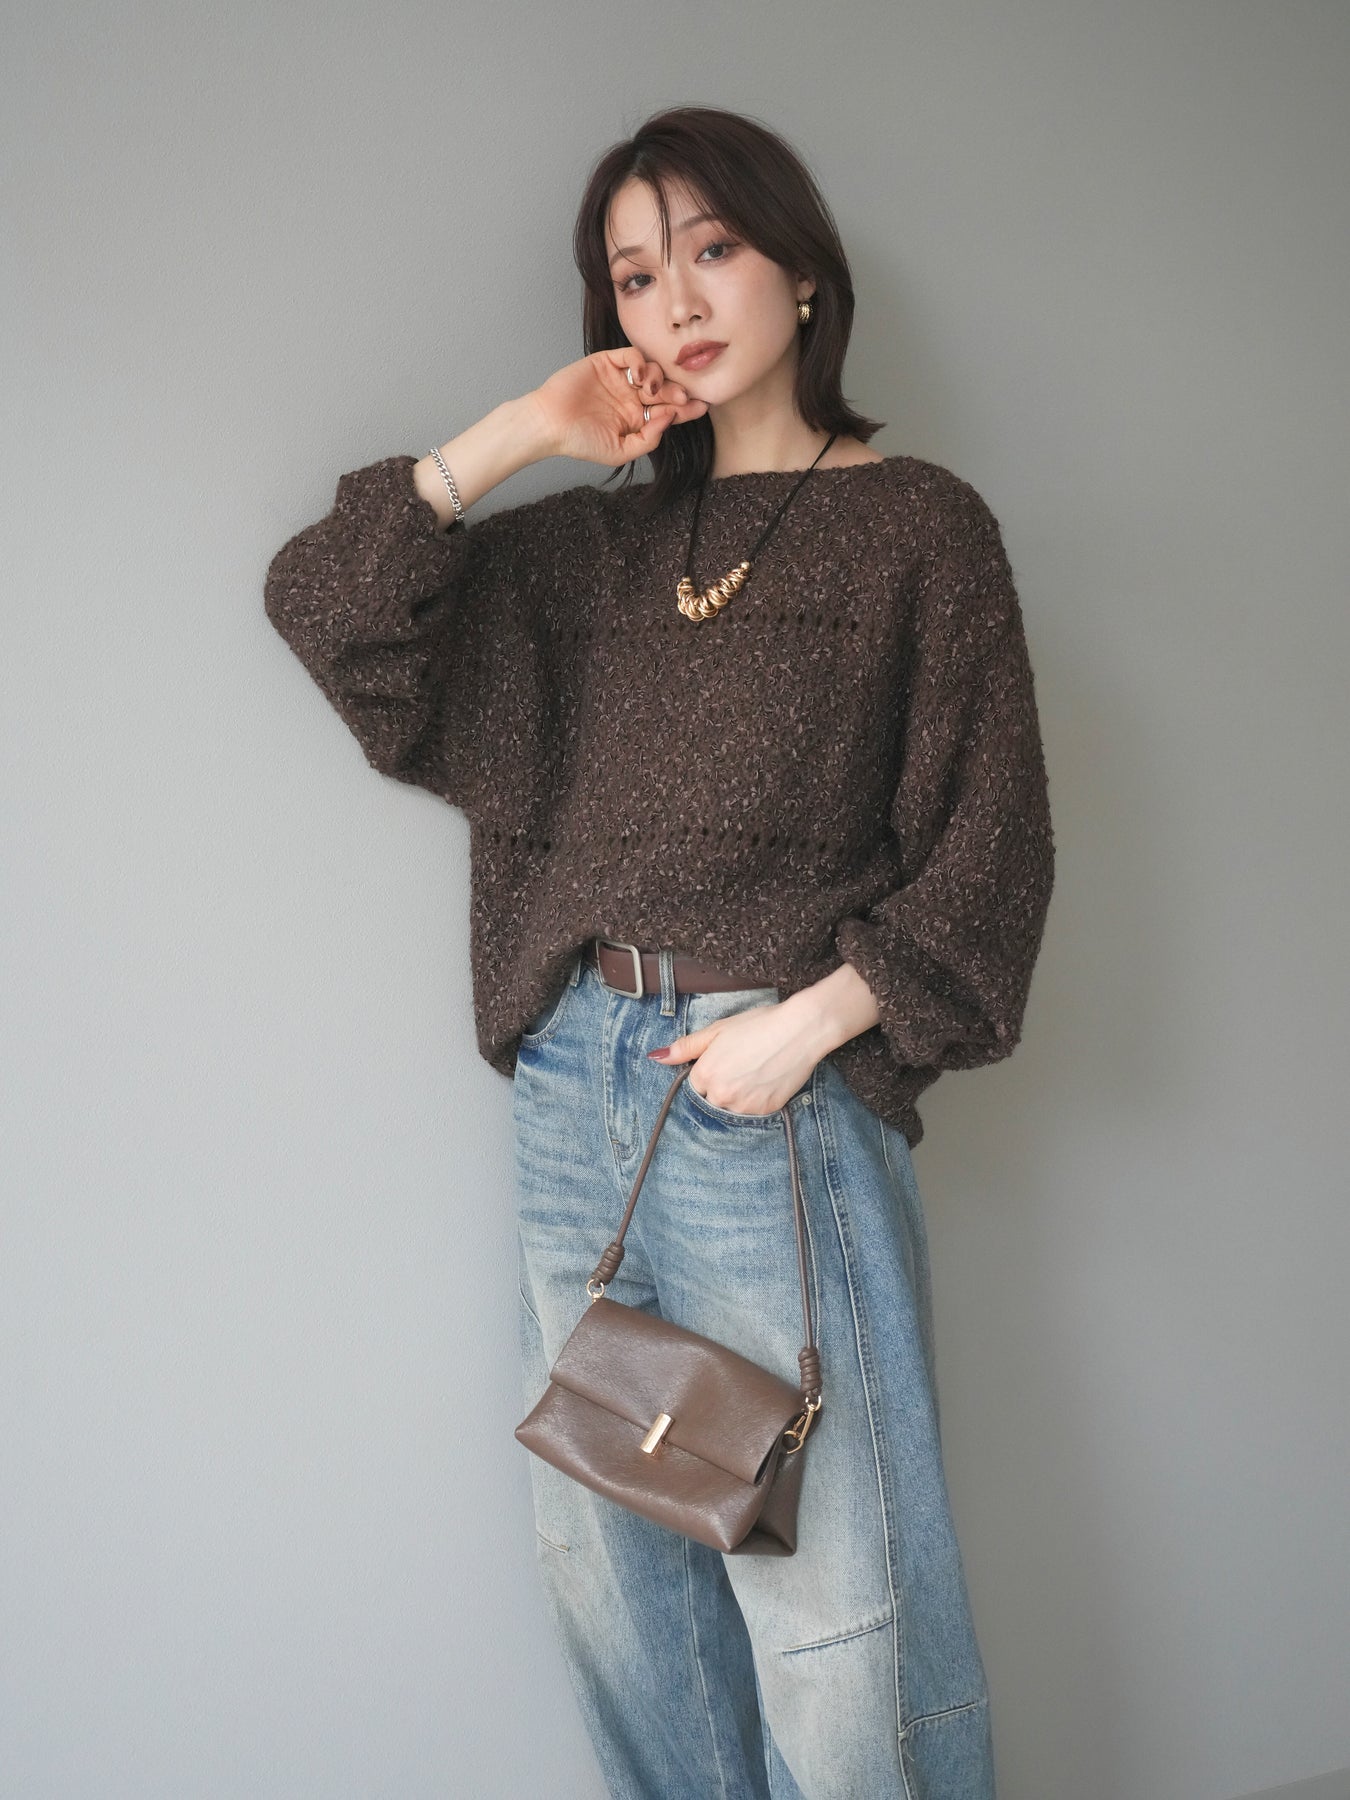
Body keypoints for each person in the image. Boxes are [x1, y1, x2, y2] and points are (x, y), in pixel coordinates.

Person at [264, 102, 1054, 1800]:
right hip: (575, 1087)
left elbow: (991, 847)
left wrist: (810, 1026)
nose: (676, 300)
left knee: (836, 1606)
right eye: (633, 276)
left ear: (802, 273)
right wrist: (525, 433)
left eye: (711, 249)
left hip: (775, 1099)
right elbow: (328, 602)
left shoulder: (920, 529)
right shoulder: (582, 553)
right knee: (617, 1583)